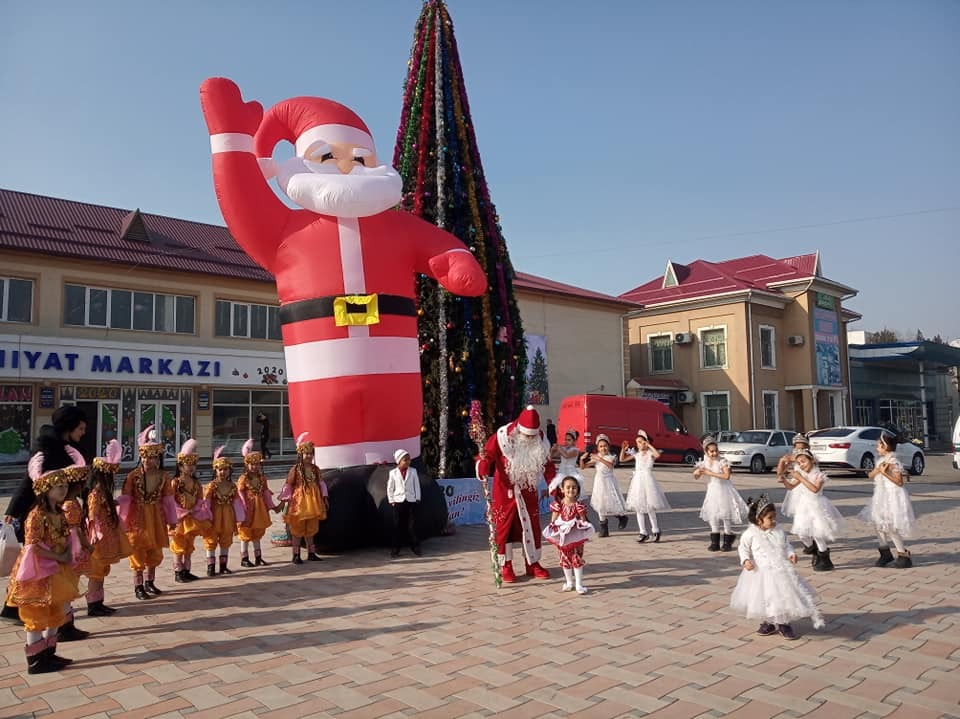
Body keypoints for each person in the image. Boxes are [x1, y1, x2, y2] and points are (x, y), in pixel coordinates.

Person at [200, 78, 487, 467]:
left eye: (360, 157)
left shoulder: (398, 227)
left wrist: (456, 261)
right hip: (321, 364)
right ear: (298, 164)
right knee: (330, 444)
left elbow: (441, 246)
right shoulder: (286, 232)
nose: (347, 165)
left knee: (398, 442)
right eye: (328, 156)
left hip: (394, 366)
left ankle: (405, 492)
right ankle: (330, 492)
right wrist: (230, 138)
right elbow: (241, 199)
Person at [3, 406, 88, 621]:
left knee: (46, 566)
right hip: (40, 513)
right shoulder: (48, 448)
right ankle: (19, 607)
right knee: (33, 562)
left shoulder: (70, 448)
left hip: (59, 512)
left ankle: (44, 609)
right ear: (69, 428)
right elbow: (29, 481)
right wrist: (13, 510)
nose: (83, 433)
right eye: (80, 428)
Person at [7, 450, 86, 673]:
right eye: (58, 486)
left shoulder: (60, 512)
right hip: (38, 572)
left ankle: (49, 653)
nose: (63, 490)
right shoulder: (36, 515)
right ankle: (35, 660)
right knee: (36, 614)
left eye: (64, 486)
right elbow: (33, 547)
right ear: (46, 489)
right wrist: (58, 555)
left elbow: (66, 533)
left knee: (56, 610)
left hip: (58, 570)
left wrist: (70, 551)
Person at [477, 405, 556, 583]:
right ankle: (506, 565)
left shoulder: (541, 440)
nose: (530, 438)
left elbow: (548, 466)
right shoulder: (503, 436)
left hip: (528, 488)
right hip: (505, 490)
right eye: (527, 436)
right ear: (519, 431)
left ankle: (533, 563)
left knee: (532, 526)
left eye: (532, 436)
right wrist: (483, 465)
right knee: (505, 527)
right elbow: (487, 454)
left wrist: (554, 485)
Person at [730, 494, 824, 640]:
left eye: (774, 517)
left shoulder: (779, 531)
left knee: (783, 597)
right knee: (765, 598)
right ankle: (768, 622)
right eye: (770, 518)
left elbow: (786, 545)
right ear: (758, 519)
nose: (774, 521)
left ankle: (784, 624)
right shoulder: (750, 534)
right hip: (761, 573)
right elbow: (743, 548)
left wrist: (791, 553)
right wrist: (746, 560)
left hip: (781, 571)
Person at [119, 426, 177, 599]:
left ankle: (149, 582)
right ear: (141, 457)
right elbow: (126, 499)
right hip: (137, 518)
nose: (149, 461)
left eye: (153, 457)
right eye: (146, 457)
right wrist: (122, 520)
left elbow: (168, 500)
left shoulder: (164, 476)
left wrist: (172, 519)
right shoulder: (132, 476)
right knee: (137, 550)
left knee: (155, 549)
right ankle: (138, 586)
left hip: (156, 517)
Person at [84, 439, 131, 615]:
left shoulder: (102, 491)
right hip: (99, 535)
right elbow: (92, 514)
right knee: (96, 570)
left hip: (107, 531)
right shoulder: (95, 492)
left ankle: (98, 601)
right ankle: (93, 604)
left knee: (102, 569)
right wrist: (96, 532)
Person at [779, 449, 846, 571]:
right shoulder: (802, 475)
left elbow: (814, 489)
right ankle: (813, 549)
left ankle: (825, 559)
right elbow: (791, 486)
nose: (801, 465)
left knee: (818, 533)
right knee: (802, 534)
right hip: (803, 506)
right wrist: (784, 480)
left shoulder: (819, 475)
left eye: (803, 461)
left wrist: (800, 477)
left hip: (817, 505)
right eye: (799, 463)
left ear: (812, 461)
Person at [858, 431, 917, 568]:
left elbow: (899, 481)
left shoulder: (893, 461)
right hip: (881, 496)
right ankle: (885, 553)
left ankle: (903, 555)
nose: (876, 448)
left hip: (893, 496)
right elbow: (871, 475)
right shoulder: (881, 461)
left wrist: (885, 473)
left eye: (878, 445)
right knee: (878, 524)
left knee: (891, 527)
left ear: (885, 447)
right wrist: (878, 470)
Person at [542, 476, 595, 594]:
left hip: (575, 534)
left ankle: (579, 584)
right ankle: (569, 582)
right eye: (568, 487)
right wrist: (552, 527)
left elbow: (583, 519)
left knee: (577, 557)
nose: (571, 490)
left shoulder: (579, 505)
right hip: (562, 534)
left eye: (574, 487)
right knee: (564, 557)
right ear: (562, 489)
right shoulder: (558, 504)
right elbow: (554, 519)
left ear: (578, 489)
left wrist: (584, 529)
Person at [280, 433, 328, 564]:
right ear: (300, 455)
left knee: (311, 528)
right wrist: (285, 501)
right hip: (299, 503)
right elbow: (288, 485)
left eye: (311, 454)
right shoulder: (295, 470)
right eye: (306, 454)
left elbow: (321, 483)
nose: (309, 456)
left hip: (313, 503)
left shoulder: (316, 469)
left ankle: (311, 553)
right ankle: (296, 555)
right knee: (297, 529)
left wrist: (324, 497)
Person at [694, 436, 748, 552]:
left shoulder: (722, 461)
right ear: (706, 452)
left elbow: (726, 476)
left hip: (724, 489)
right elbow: (696, 476)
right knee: (713, 514)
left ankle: (727, 540)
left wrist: (710, 473)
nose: (714, 453)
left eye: (716, 450)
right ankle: (715, 542)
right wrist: (697, 473)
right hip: (713, 490)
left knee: (725, 514)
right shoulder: (705, 462)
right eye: (711, 451)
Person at [168, 439, 211, 582]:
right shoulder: (175, 482)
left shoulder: (196, 483)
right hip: (179, 519)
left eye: (194, 465)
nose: (192, 467)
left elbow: (200, 499)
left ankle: (187, 570)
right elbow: (170, 501)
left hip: (192, 518)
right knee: (178, 545)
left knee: (189, 545)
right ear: (180, 467)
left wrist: (196, 510)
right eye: (188, 465)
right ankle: (178, 571)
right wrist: (182, 512)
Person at [620, 430, 671, 543]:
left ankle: (656, 530)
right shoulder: (637, 455)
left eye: (641, 442)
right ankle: (643, 532)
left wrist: (649, 445)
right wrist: (623, 449)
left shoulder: (650, 454)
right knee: (639, 508)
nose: (639, 444)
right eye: (637, 442)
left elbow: (657, 455)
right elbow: (621, 460)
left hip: (648, 482)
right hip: (638, 482)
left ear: (646, 443)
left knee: (650, 507)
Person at [202, 446, 245, 576]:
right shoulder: (212, 486)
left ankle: (223, 566)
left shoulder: (232, 486)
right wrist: (206, 516)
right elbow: (206, 502)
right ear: (215, 470)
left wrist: (240, 518)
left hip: (228, 516)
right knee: (211, 539)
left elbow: (237, 502)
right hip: (214, 516)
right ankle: (210, 567)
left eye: (225, 469)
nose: (223, 472)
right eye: (220, 469)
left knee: (226, 539)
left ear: (229, 471)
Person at [237, 438, 279, 567]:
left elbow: (266, 492)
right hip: (247, 508)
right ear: (247, 464)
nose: (255, 467)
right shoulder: (243, 478)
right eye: (252, 464)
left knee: (257, 533)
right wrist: (241, 508)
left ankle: (258, 557)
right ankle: (244, 558)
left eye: (257, 464)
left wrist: (272, 506)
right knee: (245, 533)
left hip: (259, 508)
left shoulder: (262, 478)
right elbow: (240, 493)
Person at [580, 434, 627, 537]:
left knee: (613, 503)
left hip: (609, 483)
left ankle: (622, 517)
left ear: (608, 446)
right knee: (600, 505)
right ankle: (604, 529)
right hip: (599, 484)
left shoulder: (611, 457)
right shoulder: (597, 457)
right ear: (598, 448)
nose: (603, 448)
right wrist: (582, 459)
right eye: (601, 446)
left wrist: (599, 459)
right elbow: (583, 467)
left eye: (605, 446)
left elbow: (610, 466)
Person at [387, 449, 422, 558]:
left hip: (411, 500)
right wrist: (391, 500)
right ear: (399, 461)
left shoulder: (413, 471)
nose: (407, 462)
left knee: (412, 525)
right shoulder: (393, 473)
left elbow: (417, 485)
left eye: (408, 459)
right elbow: (390, 487)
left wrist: (417, 497)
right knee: (397, 526)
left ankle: (415, 547)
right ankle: (395, 549)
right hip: (398, 501)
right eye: (404, 460)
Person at [548, 429, 583, 500]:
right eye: (566, 440)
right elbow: (552, 457)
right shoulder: (563, 448)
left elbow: (566, 455)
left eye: (569, 440)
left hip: (570, 472)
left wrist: (559, 448)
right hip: (561, 470)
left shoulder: (575, 450)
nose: (566, 442)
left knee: (570, 488)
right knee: (559, 488)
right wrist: (553, 450)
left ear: (574, 441)